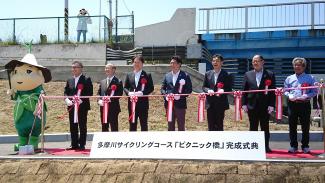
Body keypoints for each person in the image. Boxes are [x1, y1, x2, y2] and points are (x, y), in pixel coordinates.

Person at [242, 55, 275, 153]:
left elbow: (272, 91)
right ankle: (253, 147)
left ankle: (265, 147)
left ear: (262, 62)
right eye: (253, 61)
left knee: (265, 127)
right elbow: (244, 90)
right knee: (253, 126)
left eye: (257, 61)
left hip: (265, 106)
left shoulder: (270, 74)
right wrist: (244, 104)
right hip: (251, 105)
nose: (255, 63)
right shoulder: (248, 74)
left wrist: (271, 105)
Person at [284, 57, 317, 154]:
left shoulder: (310, 78)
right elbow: (285, 90)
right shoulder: (289, 78)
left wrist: (306, 95)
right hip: (292, 104)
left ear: (304, 67)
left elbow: (315, 91)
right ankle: (293, 146)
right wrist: (289, 95)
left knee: (305, 126)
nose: (297, 67)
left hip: (304, 104)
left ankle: (305, 146)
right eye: (295, 65)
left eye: (299, 65)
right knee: (292, 126)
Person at [64, 61, 93, 150]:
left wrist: (81, 100)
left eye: (76, 67)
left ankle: (82, 144)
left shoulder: (86, 79)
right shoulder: (70, 80)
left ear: (81, 68)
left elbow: (90, 92)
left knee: (82, 125)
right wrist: (67, 99)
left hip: (82, 106)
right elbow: (66, 92)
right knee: (73, 125)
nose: (73, 69)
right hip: (71, 106)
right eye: (72, 67)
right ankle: (74, 144)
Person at [161, 55, 192, 131]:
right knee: (170, 126)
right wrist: (166, 96)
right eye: (171, 63)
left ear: (179, 64)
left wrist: (180, 96)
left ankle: (181, 141)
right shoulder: (167, 75)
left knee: (181, 126)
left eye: (174, 63)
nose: (172, 65)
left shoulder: (185, 75)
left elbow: (189, 89)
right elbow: (162, 88)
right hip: (169, 104)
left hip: (180, 104)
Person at [124, 55, 154, 131]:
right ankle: (133, 141)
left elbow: (151, 88)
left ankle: (144, 141)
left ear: (142, 63)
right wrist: (129, 93)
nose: (136, 64)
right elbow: (125, 87)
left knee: (143, 124)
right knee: (132, 123)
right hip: (132, 103)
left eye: (139, 62)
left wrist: (143, 93)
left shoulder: (147, 75)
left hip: (143, 104)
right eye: (135, 62)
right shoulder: (129, 75)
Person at [202, 54, 232, 131]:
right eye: (213, 61)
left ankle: (219, 141)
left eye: (217, 61)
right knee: (210, 125)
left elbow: (229, 89)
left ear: (222, 63)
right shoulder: (207, 73)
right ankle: (211, 142)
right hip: (210, 104)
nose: (215, 62)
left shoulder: (227, 74)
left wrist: (223, 90)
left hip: (220, 104)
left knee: (219, 124)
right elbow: (204, 87)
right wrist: (208, 90)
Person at [97, 63, 123, 132]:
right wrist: (99, 100)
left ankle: (114, 142)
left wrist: (109, 99)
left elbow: (119, 93)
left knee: (114, 127)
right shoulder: (102, 81)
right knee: (104, 126)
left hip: (113, 108)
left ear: (114, 70)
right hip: (103, 108)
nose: (106, 70)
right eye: (105, 68)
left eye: (108, 68)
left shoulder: (118, 81)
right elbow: (99, 93)